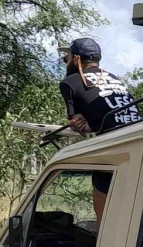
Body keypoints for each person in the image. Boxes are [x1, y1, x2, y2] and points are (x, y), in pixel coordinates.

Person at [58, 37, 138, 220]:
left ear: (76, 59)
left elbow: (75, 121)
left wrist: (83, 123)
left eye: (67, 58)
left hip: (114, 147)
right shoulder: (115, 79)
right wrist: (91, 123)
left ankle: (103, 239)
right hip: (136, 138)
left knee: (105, 217)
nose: (65, 61)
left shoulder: (70, 82)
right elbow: (112, 112)